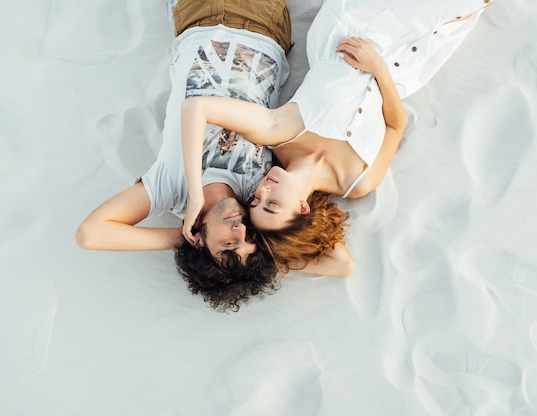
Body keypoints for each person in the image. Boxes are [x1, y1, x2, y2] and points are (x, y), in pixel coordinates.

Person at [76, 0, 353, 313]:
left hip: (200, 15)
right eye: (249, 238)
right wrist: (264, 251)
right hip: (264, 22)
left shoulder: (171, 188)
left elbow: (90, 233)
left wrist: (184, 235)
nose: (240, 231)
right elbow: (341, 264)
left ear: (200, 243)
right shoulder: (261, 194)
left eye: (228, 245)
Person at [179, 0, 493, 272]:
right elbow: (395, 127)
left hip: (355, 27)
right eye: (271, 205)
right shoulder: (356, 182)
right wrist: (380, 70)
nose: (262, 192)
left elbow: (198, 107)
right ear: (302, 207)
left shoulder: (279, 134)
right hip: (406, 63)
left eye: (255, 200)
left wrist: (196, 197)